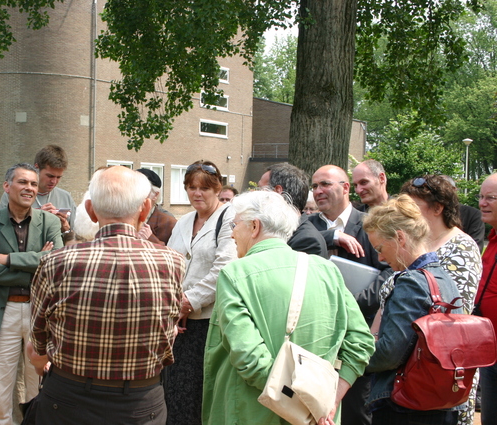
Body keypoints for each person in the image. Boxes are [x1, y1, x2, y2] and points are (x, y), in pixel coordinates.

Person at [201, 190, 375, 425]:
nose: (232, 233)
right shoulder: (326, 270)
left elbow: (248, 357)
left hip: (250, 412)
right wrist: (327, 402)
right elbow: (361, 342)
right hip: (319, 417)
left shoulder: (236, 274)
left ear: (254, 226)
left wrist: (297, 404)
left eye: (234, 224)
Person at [28, 166, 185, 424]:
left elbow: (38, 337)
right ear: (145, 209)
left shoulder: (56, 261)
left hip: (67, 397)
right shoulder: (172, 262)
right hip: (141, 400)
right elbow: (168, 331)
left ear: (89, 210)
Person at [0, 163, 63, 425]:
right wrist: (35, 264)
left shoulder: (49, 222)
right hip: (4, 313)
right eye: (23, 182)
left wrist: (7, 259)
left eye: (34, 184)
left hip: (40, 313)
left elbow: (56, 262)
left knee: (38, 382)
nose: (30, 188)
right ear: (7, 186)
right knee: (0, 385)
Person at [363, 195, 463, 424]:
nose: (379, 257)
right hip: (440, 399)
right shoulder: (443, 276)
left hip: (405, 406)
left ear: (400, 238)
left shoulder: (411, 282)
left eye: (380, 247)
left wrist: (352, 360)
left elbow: (389, 353)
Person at [307, 164, 392, 425]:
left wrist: (348, 305)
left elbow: (388, 273)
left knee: (356, 414)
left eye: (325, 184)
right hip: (313, 339)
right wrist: (332, 236)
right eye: (314, 186)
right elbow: (289, 246)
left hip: (357, 340)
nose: (318, 191)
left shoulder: (370, 223)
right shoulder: (306, 226)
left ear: (345, 188)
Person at [398, 175, 481, 425]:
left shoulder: (462, 246)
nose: (407, 213)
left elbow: (455, 308)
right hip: (411, 360)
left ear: (437, 208)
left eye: (414, 207)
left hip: (444, 365)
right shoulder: (417, 242)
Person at [165, 160, 237, 425]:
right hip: (178, 324)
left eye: (204, 188)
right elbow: (170, 264)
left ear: (217, 188)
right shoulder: (183, 221)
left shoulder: (229, 216)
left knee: (201, 396)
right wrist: (175, 307)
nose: (197, 193)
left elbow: (225, 268)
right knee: (175, 395)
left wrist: (188, 302)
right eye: (191, 187)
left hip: (210, 323)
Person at [0, 145, 76, 239]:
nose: (54, 181)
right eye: (50, 176)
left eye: (58, 177)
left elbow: (75, 238)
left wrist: (66, 229)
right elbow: (2, 232)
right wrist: (35, 217)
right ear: (37, 168)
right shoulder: (13, 194)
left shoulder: (66, 197)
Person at [258, 163, 328, 257]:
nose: (255, 195)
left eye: (260, 190)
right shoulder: (278, 230)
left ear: (277, 192)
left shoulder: (307, 241)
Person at [476, 173, 497, 425]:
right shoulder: (491, 239)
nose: (482, 203)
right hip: (490, 354)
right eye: (481, 197)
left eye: (490, 198)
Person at [443, 175, 485, 251]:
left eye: (444, 189)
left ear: (454, 190)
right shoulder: (426, 214)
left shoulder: (473, 215)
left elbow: (475, 248)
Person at [136, 168, 177, 245]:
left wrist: (150, 239)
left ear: (155, 194)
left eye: (140, 189)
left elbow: (177, 254)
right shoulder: (122, 216)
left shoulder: (169, 222)